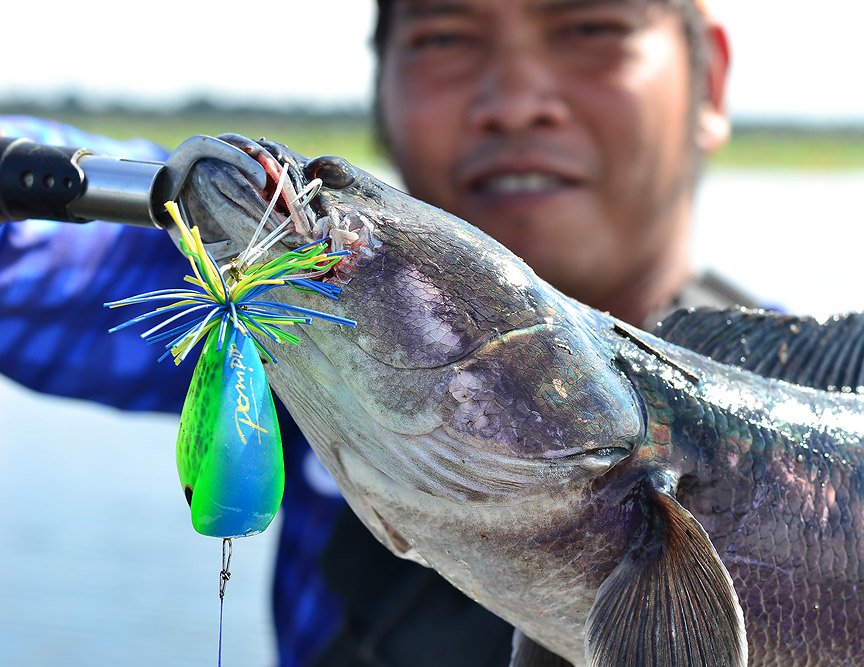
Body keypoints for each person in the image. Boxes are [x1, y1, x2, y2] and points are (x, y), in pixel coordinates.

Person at [0, 1, 754, 664]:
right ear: (380, 94)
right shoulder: (302, 320)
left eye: (591, 25)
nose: (516, 102)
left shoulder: (829, 391)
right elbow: (37, 259)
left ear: (710, 81)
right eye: (445, 36)